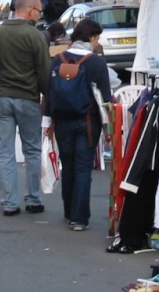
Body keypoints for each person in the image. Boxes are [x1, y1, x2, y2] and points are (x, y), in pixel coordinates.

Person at [45, 18, 112, 231]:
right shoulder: (96, 62)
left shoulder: (58, 59)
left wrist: (47, 121)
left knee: (69, 166)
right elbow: (106, 96)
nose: (97, 41)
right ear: (91, 37)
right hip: (88, 122)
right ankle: (79, 218)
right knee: (83, 168)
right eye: (97, 37)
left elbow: (48, 92)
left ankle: (68, 211)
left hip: (62, 121)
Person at [0, 0, 51, 216]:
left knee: (4, 152)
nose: (39, 14)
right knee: (32, 151)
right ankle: (33, 199)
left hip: (2, 97)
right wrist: (48, 97)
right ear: (30, 10)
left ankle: (9, 202)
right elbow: (44, 71)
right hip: (27, 98)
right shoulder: (35, 36)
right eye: (39, 11)